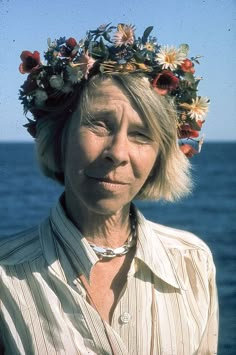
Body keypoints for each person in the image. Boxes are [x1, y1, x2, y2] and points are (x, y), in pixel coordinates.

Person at [0, 23, 218, 354]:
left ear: (160, 157)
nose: (117, 152)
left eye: (141, 135)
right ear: (60, 136)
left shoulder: (193, 263)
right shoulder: (5, 276)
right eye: (99, 124)